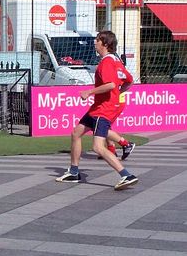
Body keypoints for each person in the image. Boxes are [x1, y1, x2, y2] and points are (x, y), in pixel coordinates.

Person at [56, 30, 138, 191]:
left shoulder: (107, 62)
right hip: (99, 108)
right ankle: (74, 172)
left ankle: (127, 175)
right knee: (76, 133)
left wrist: (89, 92)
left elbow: (111, 85)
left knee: (98, 147)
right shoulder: (116, 61)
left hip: (103, 109)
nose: (95, 43)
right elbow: (129, 81)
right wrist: (117, 95)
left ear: (105, 44)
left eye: (97, 40)